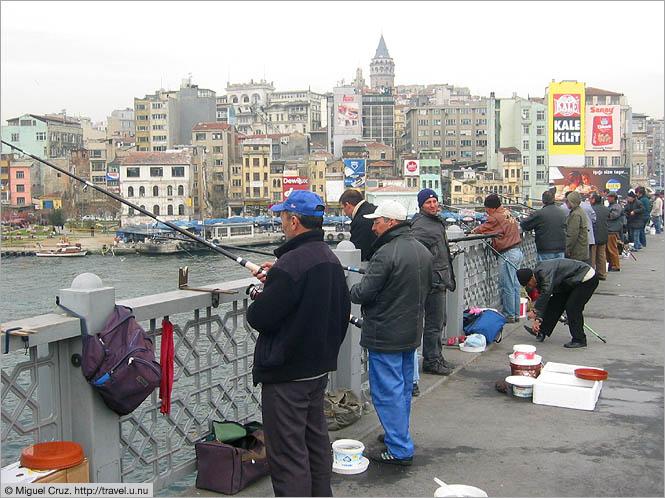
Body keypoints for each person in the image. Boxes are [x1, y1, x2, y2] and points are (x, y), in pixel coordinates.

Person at [246, 190, 351, 496]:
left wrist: (261, 294)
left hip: (287, 376)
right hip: (317, 371)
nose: (280, 222)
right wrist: (276, 277)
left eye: (281, 216)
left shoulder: (291, 264)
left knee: (288, 454)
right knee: (315, 443)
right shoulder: (328, 259)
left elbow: (260, 317)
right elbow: (340, 311)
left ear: (294, 221)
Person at [350, 200, 432, 466]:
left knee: (387, 391)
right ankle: (399, 435)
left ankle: (398, 448)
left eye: (377, 221)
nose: (374, 227)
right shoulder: (421, 250)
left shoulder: (386, 253)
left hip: (385, 333)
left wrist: (346, 291)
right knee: (403, 388)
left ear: (391, 222)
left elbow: (364, 293)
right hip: (410, 331)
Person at [410, 188, 456, 375]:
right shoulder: (421, 225)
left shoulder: (435, 222)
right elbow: (417, 253)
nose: (433, 205)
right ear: (421, 205)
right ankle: (432, 360)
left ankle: (436, 356)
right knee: (433, 323)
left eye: (435, 201)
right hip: (433, 281)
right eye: (428, 202)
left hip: (439, 278)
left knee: (439, 322)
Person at [517, 258, 599, 348]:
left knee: (572, 307)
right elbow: (545, 300)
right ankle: (542, 331)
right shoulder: (538, 276)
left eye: (529, 284)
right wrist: (538, 320)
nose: (530, 287)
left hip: (586, 278)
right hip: (570, 281)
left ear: (532, 278)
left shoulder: (544, 273)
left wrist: (535, 311)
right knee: (555, 303)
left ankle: (579, 339)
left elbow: (545, 294)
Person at [473, 193, 523, 323]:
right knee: (515, 284)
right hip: (517, 251)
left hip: (507, 254)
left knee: (506, 285)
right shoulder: (507, 212)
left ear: (492, 208)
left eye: (486, 208)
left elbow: (483, 229)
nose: (486, 211)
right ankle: (516, 313)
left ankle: (509, 314)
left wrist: (473, 231)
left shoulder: (495, 217)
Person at [519, 190, 566, 261]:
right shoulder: (562, 212)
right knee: (559, 270)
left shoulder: (540, 214)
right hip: (560, 249)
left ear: (543, 201)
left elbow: (524, 224)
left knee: (546, 271)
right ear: (553, 199)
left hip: (545, 250)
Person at [339, 189, 377, 262]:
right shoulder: (373, 210)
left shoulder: (360, 220)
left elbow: (358, 252)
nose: (344, 213)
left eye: (343, 208)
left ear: (347, 205)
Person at [564, 191, 590, 264]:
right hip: (582, 248)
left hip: (577, 250)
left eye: (568, 201)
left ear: (572, 202)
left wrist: (567, 249)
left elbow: (572, 234)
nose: (566, 203)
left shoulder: (575, 214)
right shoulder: (580, 211)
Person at [589, 193, 608, 280]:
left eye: (590, 198)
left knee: (592, 257)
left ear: (594, 200)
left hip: (594, 235)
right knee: (602, 256)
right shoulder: (605, 209)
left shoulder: (591, 209)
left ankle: (592, 275)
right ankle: (602, 273)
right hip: (603, 234)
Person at [606, 192, 623, 271]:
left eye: (609, 197)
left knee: (612, 248)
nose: (608, 198)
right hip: (610, 229)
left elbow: (613, 216)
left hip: (612, 230)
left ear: (613, 198)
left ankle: (615, 265)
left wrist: (606, 216)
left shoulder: (616, 206)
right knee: (609, 249)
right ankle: (611, 264)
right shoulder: (612, 206)